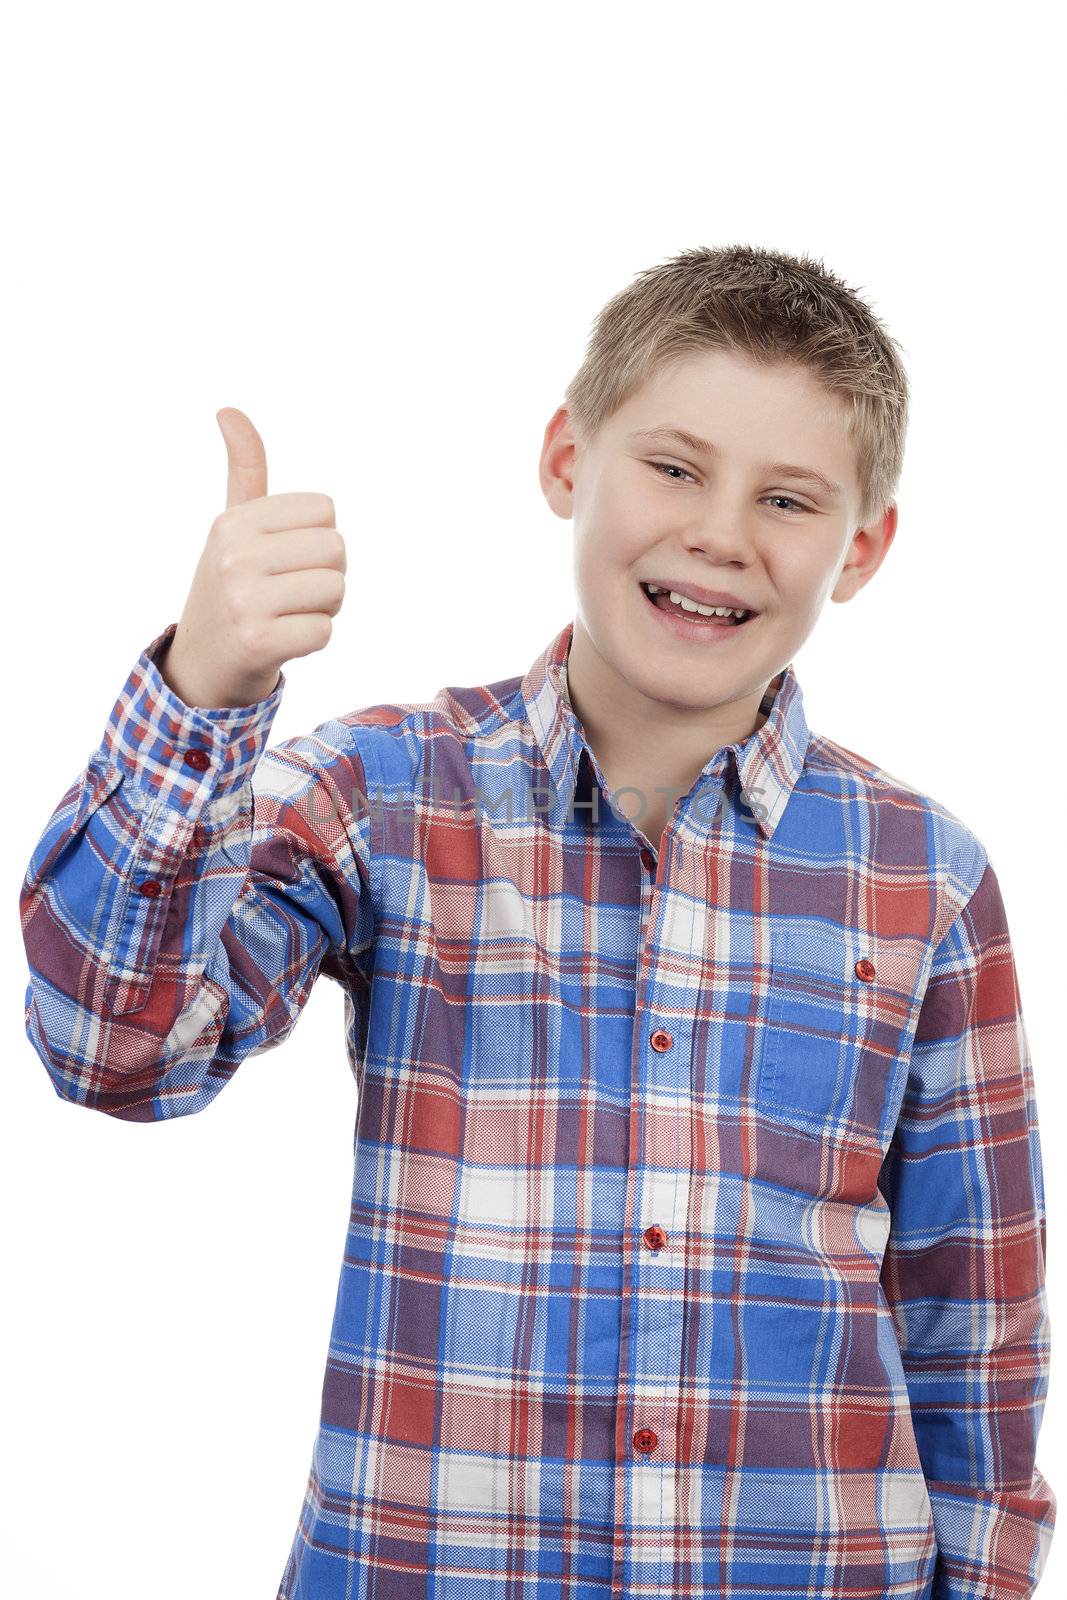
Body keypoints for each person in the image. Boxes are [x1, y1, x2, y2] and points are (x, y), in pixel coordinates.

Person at [19, 244, 1055, 1600]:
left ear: (858, 548)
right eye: (674, 468)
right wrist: (203, 687)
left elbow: (972, 1329)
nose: (720, 533)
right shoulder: (385, 793)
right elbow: (112, 1047)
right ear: (569, 458)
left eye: (787, 498)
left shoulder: (927, 878)